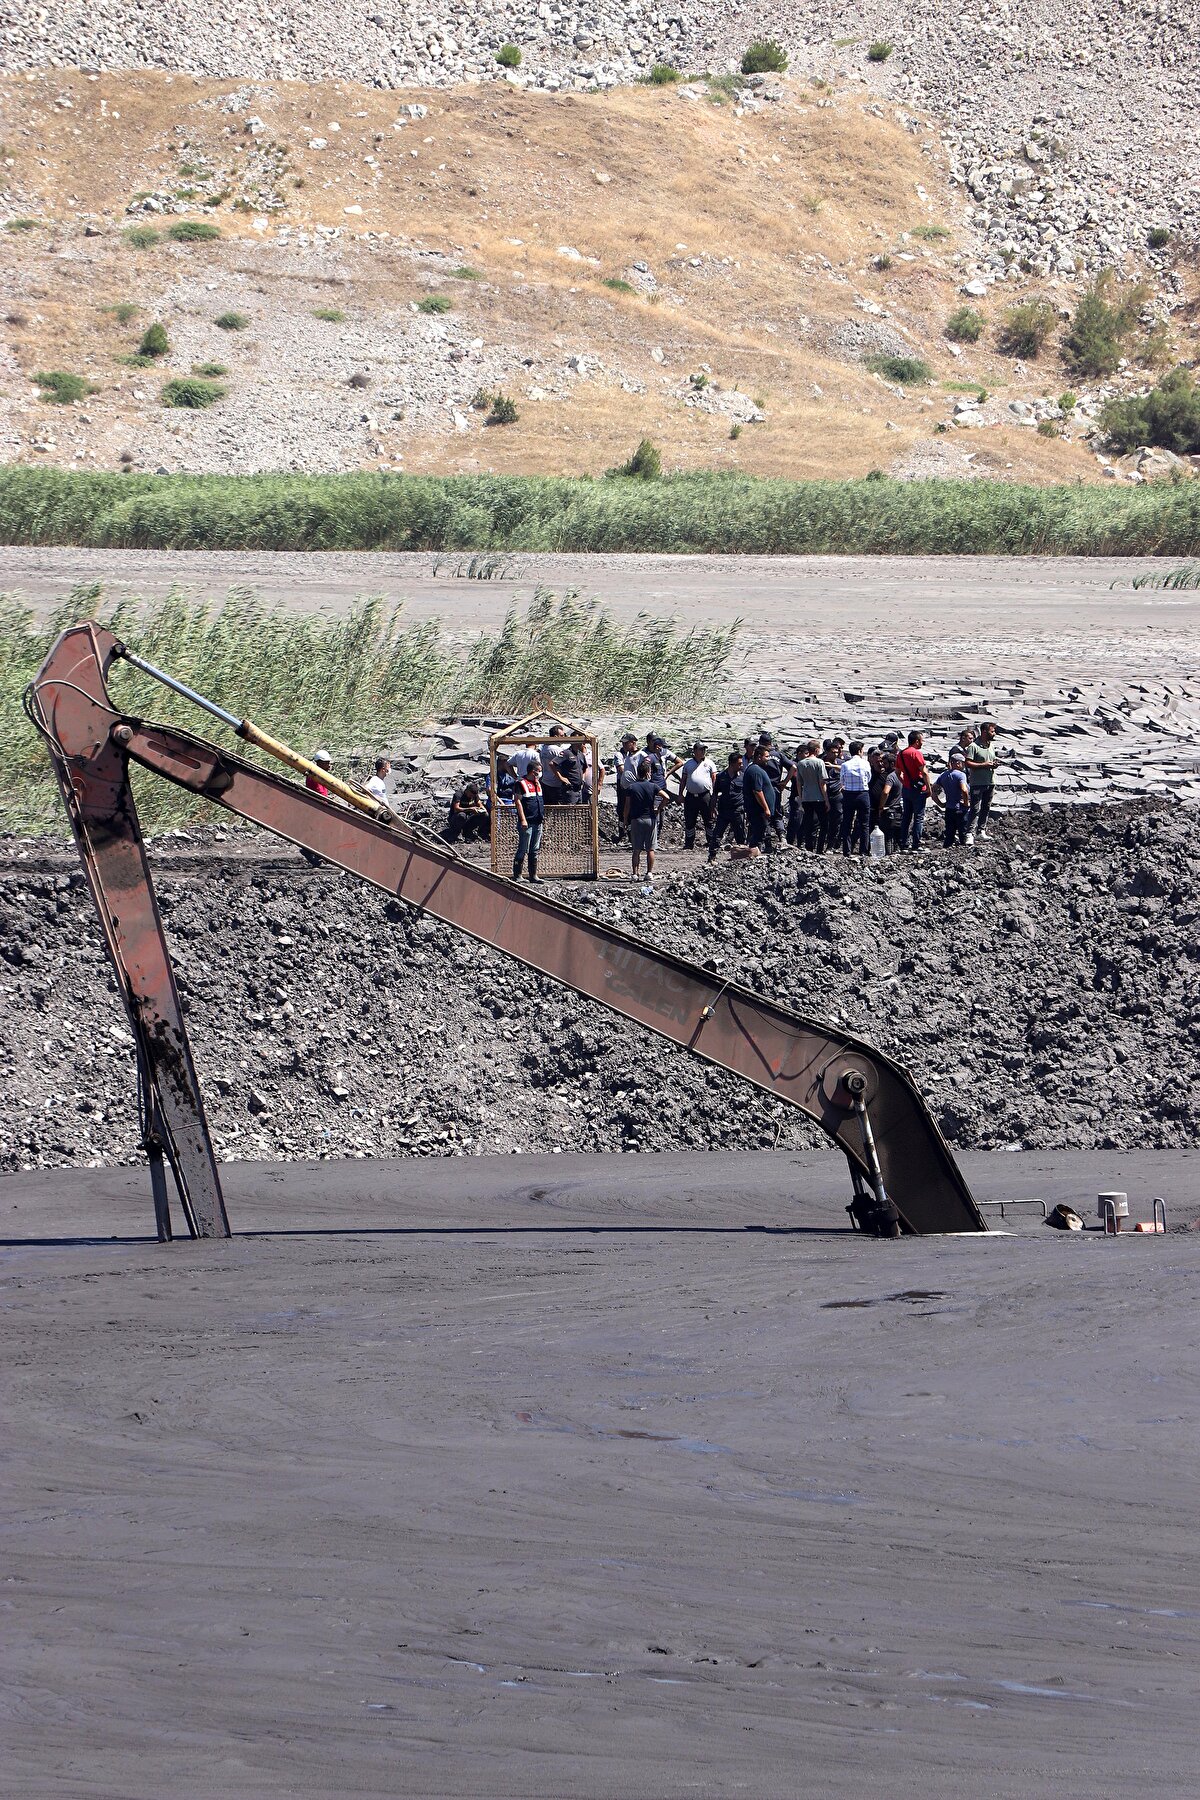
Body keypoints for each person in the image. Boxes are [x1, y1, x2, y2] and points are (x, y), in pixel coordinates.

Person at [624, 755, 666, 883]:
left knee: (636, 849)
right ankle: (649, 873)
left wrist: (625, 820)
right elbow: (667, 797)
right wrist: (658, 809)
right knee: (650, 848)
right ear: (648, 772)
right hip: (650, 819)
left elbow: (627, 806)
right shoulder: (653, 786)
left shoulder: (631, 787)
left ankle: (635, 874)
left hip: (636, 819)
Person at [965, 721, 1001, 843]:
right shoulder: (973, 746)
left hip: (990, 781)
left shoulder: (990, 745)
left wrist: (994, 764)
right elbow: (968, 763)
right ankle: (969, 833)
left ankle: (981, 831)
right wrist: (983, 765)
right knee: (975, 808)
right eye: (992, 731)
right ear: (984, 731)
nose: (994, 734)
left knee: (986, 807)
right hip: (977, 782)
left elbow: (991, 759)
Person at [895, 729, 931, 852]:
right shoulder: (916, 753)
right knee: (919, 817)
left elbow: (897, 772)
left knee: (906, 816)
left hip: (906, 789)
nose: (922, 743)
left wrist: (904, 782)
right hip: (919, 790)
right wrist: (929, 789)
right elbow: (924, 772)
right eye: (921, 740)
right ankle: (916, 844)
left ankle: (903, 844)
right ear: (916, 741)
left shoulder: (901, 754)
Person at [678, 741, 718, 850]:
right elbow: (683, 780)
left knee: (708, 819)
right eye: (701, 749)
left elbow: (714, 779)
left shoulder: (710, 763)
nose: (703, 751)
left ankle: (711, 841)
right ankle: (689, 843)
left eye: (704, 749)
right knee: (690, 819)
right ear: (695, 751)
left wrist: (715, 794)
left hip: (705, 795)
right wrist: (680, 794)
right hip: (691, 796)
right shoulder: (688, 764)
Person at [708, 750, 746, 860]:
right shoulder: (721, 776)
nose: (741, 765)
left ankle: (741, 857)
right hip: (724, 811)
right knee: (717, 834)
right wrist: (712, 808)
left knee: (740, 835)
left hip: (738, 810)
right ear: (732, 764)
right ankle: (712, 857)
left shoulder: (742, 777)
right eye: (739, 763)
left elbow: (746, 794)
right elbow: (715, 793)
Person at [512, 757, 544, 882]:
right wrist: (523, 819)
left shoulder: (537, 783)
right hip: (527, 821)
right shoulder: (521, 783)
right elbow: (518, 802)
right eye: (538, 771)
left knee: (534, 849)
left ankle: (533, 875)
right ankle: (518, 875)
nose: (540, 773)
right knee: (523, 848)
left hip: (538, 821)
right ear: (532, 771)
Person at [742, 742, 778, 853]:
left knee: (761, 832)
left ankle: (759, 852)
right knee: (758, 834)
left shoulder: (757, 769)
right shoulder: (755, 770)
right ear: (759, 757)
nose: (768, 759)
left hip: (759, 811)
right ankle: (751, 855)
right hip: (758, 810)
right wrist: (766, 808)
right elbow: (757, 791)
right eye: (766, 756)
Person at [839, 740, 872, 857]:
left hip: (849, 794)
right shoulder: (865, 764)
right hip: (863, 794)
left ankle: (847, 851)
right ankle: (864, 851)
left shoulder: (845, 765)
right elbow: (868, 778)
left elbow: (841, 780)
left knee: (847, 823)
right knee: (864, 824)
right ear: (859, 751)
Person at [794, 738, 828, 850]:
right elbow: (822, 782)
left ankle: (809, 847)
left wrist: (801, 797)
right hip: (819, 797)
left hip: (806, 797)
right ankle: (819, 848)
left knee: (809, 823)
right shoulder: (819, 762)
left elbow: (799, 782)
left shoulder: (801, 763)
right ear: (817, 750)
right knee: (823, 824)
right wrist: (826, 800)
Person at [933, 750, 971, 847]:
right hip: (960, 809)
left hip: (949, 808)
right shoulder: (961, 775)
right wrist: (966, 802)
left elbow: (933, 791)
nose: (964, 766)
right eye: (963, 763)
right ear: (958, 763)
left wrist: (940, 804)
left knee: (949, 834)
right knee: (963, 833)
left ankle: (946, 851)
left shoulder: (943, 775)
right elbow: (964, 790)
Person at [818, 737, 844, 853]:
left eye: (836, 752)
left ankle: (831, 845)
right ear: (827, 752)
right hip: (822, 795)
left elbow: (846, 771)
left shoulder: (841, 763)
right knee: (821, 821)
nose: (835, 754)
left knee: (836, 819)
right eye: (832, 752)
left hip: (836, 795)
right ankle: (818, 845)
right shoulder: (820, 762)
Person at [443, 781, 489, 845]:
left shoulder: (474, 795)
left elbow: (479, 803)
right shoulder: (459, 795)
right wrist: (469, 809)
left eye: (473, 795)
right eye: (470, 795)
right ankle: (457, 832)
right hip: (456, 818)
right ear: (467, 790)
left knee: (485, 815)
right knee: (462, 815)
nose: (471, 797)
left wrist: (482, 809)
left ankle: (468, 831)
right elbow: (456, 809)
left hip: (469, 818)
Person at [613, 732, 640, 842]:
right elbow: (622, 769)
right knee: (622, 808)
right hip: (623, 784)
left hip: (634, 784)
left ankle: (632, 833)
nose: (624, 745)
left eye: (626, 743)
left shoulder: (638, 755)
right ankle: (622, 832)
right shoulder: (619, 755)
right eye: (623, 743)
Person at [878, 755, 905, 854]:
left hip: (890, 810)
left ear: (892, 764)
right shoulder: (902, 775)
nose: (883, 766)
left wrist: (881, 806)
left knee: (888, 837)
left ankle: (889, 856)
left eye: (885, 763)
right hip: (900, 811)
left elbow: (886, 792)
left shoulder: (891, 776)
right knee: (899, 838)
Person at [541, 725, 569, 806]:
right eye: (562, 736)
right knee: (558, 807)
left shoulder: (544, 748)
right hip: (555, 783)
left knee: (548, 806)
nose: (563, 738)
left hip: (546, 780)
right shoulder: (556, 750)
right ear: (556, 736)